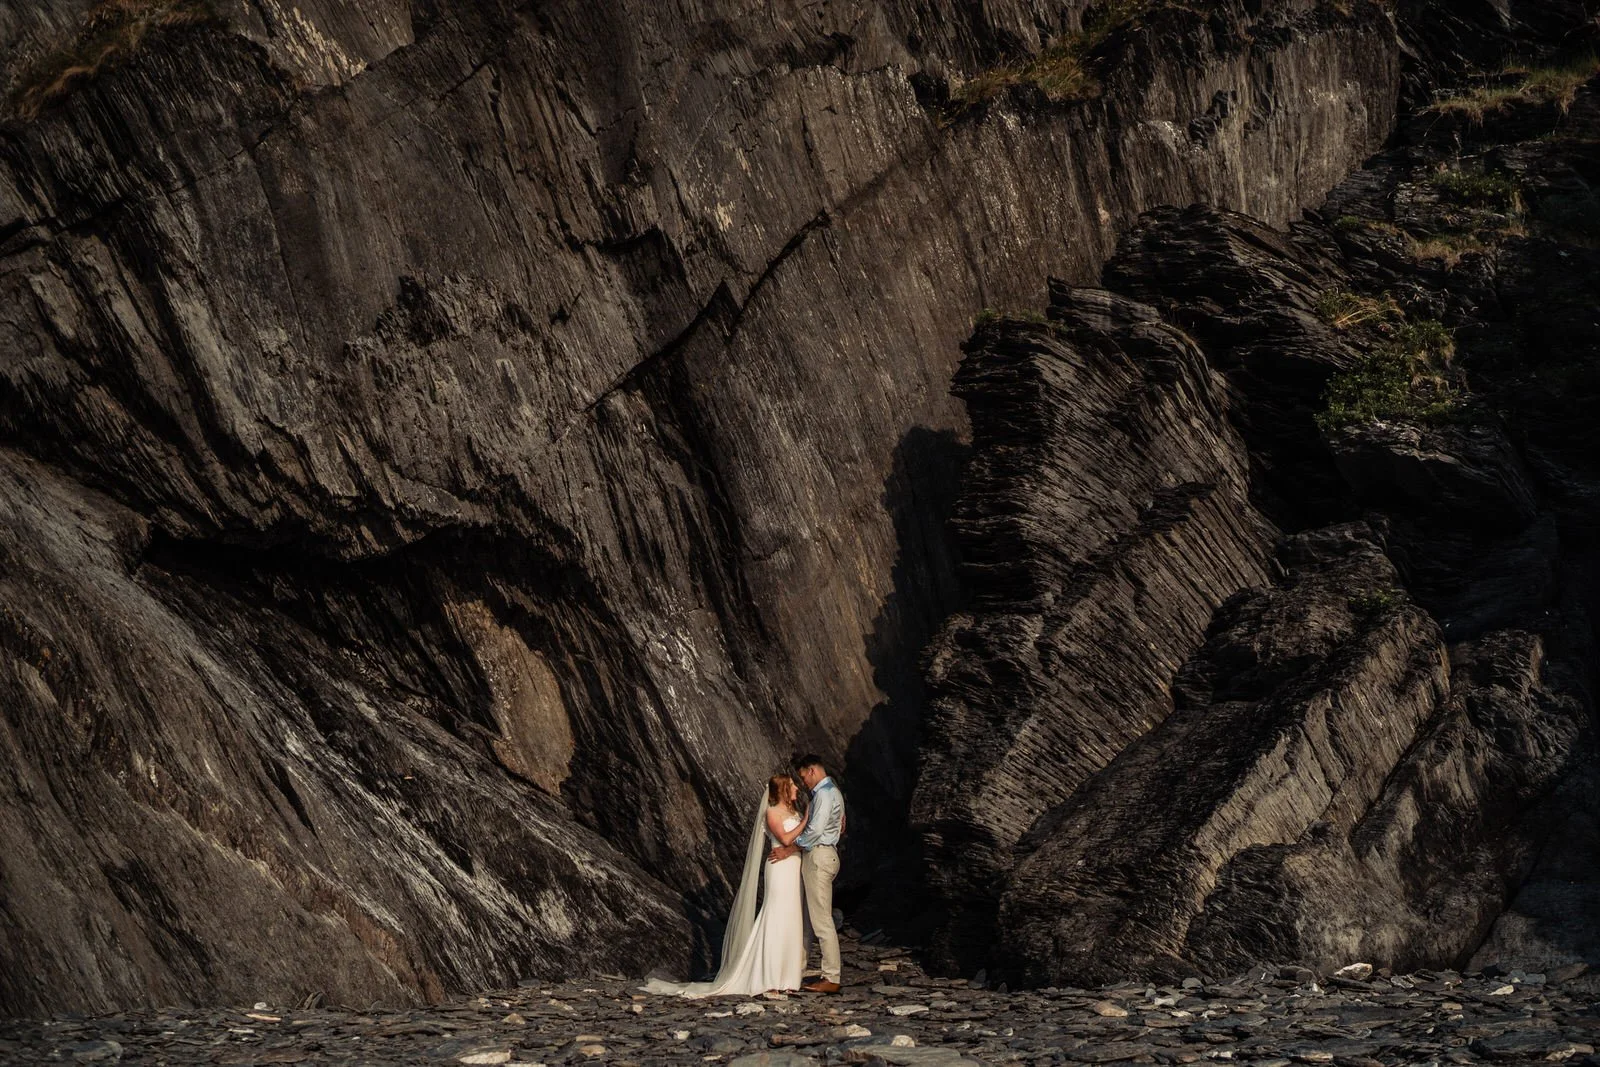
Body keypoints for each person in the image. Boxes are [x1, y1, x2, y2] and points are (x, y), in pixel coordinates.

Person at [644, 773, 809, 997]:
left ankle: (787, 977)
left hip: (792, 868)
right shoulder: (772, 812)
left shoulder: (793, 811)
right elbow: (787, 838)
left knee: (792, 916)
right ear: (782, 789)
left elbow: (798, 843)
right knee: (776, 915)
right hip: (779, 870)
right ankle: (768, 976)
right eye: (792, 786)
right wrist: (807, 821)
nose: (797, 789)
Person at [769, 754, 843, 993]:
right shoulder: (834, 792)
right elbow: (838, 824)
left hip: (819, 856)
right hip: (824, 855)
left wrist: (788, 850)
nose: (803, 784)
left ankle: (831, 976)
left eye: (803, 777)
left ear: (812, 770)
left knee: (821, 920)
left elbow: (814, 831)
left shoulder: (823, 794)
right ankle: (798, 971)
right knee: (811, 920)